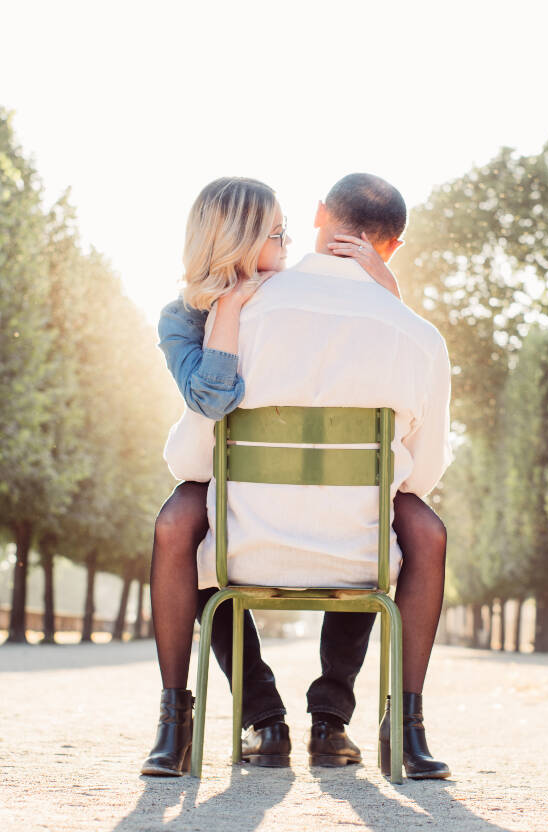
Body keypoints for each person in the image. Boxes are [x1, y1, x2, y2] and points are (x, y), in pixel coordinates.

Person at [143, 175, 451, 780]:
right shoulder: (415, 333)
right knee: (402, 513)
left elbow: (190, 460)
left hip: (244, 547)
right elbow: (425, 473)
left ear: (317, 215)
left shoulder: (236, 314)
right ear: (393, 247)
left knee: (185, 520)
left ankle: (197, 720)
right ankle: (390, 725)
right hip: (358, 550)